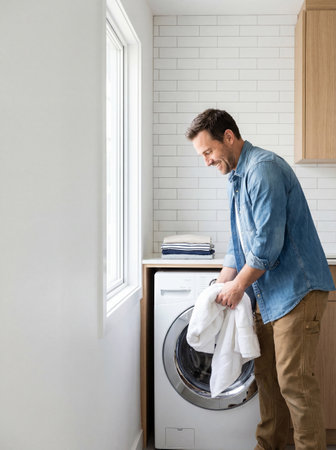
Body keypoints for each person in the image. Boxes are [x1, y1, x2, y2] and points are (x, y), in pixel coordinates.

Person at [186, 109, 335, 450]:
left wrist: (238, 286)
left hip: (298, 291)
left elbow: (267, 246)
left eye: (208, 152)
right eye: (202, 156)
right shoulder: (236, 178)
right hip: (269, 295)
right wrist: (220, 284)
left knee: (295, 384)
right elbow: (239, 244)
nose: (206, 161)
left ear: (228, 137)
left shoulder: (262, 170)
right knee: (268, 380)